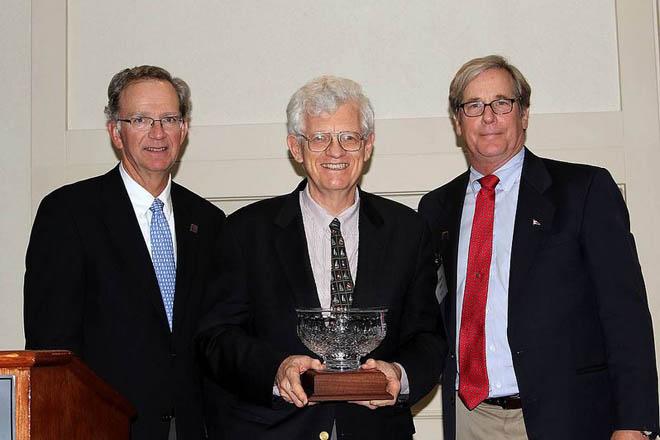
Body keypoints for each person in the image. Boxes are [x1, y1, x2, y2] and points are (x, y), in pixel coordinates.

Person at [418, 54, 659, 440]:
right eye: (474, 106)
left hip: (566, 417)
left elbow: (625, 316)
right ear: (457, 122)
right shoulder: (435, 209)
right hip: (470, 420)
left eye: (502, 103)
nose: (489, 117)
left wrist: (635, 423)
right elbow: (430, 316)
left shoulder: (584, 192)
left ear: (524, 114)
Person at [196, 75, 445, 439]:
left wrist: (399, 374)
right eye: (319, 138)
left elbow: (428, 337)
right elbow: (216, 337)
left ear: (368, 146)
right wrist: (276, 370)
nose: (336, 152)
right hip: (275, 430)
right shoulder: (245, 232)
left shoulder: (408, 231)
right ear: (296, 148)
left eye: (349, 137)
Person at [24, 65, 226, 440]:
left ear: (184, 130)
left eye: (169, 118)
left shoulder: (210, 222)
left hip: (194, 427)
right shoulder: (68, 213)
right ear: (115, 132)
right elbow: (53, 347)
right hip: (102, 426)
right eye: (140, 119)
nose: (158, 133)